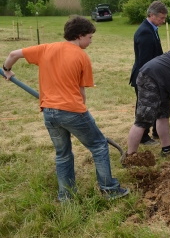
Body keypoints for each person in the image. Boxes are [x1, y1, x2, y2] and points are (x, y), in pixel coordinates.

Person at [2, 16, 129, 202]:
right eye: (90, 37)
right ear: (79, 36)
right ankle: (109, 189)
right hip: (72, 110)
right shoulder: (81, 57)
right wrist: (82, 110)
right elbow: (81, 92)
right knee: (99, 146)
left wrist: (6, 69)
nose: (91, 41)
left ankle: (66, 196)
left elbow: (13, 54)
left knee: (63, 154)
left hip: (49, 112)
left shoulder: (46, 49)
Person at [129, 1, 168, 146]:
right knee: (145, 107)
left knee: (156, 105)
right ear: (151, 15)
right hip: (145, 76)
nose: (163, 21)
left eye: (164, 18)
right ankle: (143, 137)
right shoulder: (145, 32)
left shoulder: (152, 29)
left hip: (152, 75)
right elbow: (146, 61)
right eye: (161, 18)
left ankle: (156, 131)